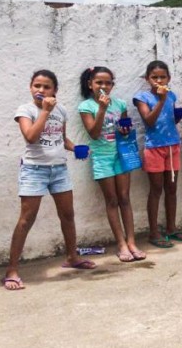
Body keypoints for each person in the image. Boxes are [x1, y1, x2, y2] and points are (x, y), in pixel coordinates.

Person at [4, 70, 97, 291]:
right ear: (30, 87)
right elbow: (31, 137)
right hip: (34, 170)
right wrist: (45, 111)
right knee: (26, 219)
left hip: (59, 169)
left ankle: (72, 257)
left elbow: (60, 138)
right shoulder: (25, 110)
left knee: (68, 214)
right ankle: (11, 270)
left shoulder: (61, 110)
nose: (41, 90)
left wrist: (76, 148)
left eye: (46, 87)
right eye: (37, 85)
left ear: (55, 90)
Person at [78, 66, 145, 262]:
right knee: (112, 200)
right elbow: (94, 133)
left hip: (121, 155)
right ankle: (121, 244)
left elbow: (124, 128)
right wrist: (102, 108)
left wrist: (125, 130)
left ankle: (131, 242)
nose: (103, 86)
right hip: (102, 157)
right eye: (99, 82)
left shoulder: (121, 104)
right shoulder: (86, 107)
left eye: (108, 83)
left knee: (125, 198)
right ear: (90, 84)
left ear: (112, 85)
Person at [134, 61, 182, 247]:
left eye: (162, 77)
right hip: (154, 147)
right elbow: (149, 120)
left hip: (173, 146)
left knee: (171, 189)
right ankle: (154, 232)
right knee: (156, 190)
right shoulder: (142, 98)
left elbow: (170, 118)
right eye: (154, 77)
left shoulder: (171, 95)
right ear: (148, 79)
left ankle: (171, 228)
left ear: (168, 78)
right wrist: (161, 100)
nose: (158, 80)